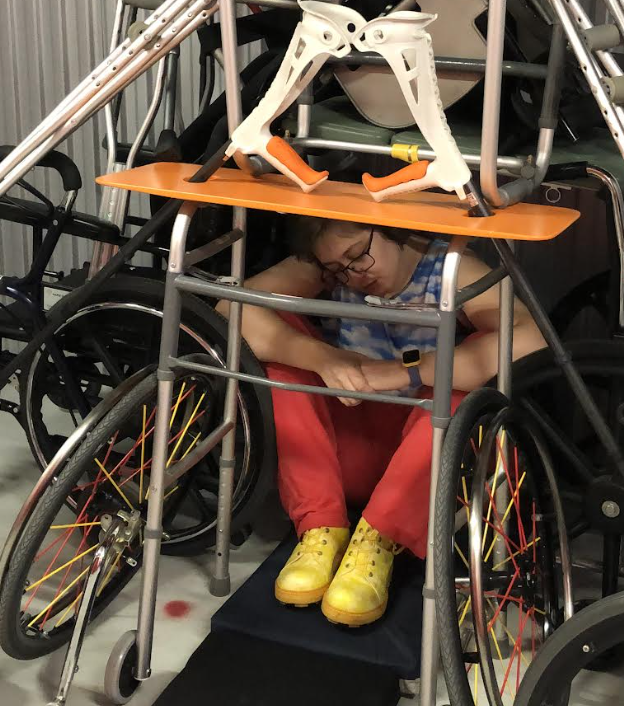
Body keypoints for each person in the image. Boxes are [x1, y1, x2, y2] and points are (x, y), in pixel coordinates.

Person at [229, 217, 544, 626]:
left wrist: (407, 371)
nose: (354, 274)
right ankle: (320, 530)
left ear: (393, 230)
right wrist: (323, 358)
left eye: (359, 254)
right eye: (340, 269)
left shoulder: (449, 265)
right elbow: (228, 307)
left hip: (423, 463)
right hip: (346, 448)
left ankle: (379, 538)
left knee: (463, 382)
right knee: (283, 366)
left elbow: (531, 337)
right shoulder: (330, 266)